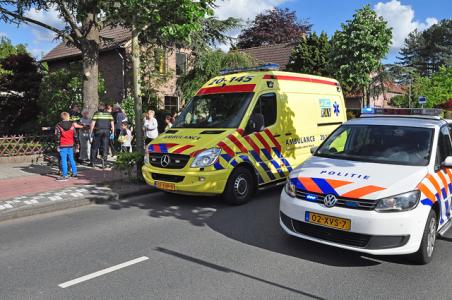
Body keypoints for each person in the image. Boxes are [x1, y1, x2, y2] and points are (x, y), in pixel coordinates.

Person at [55, 112, 83, 181]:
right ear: (68, 117)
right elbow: (75, 136)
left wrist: (57, 145)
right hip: (71, 145)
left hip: (62, 145)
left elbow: (57, 136)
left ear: (61, 117)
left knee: (63, 160)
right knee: (71, 159)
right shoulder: (72, 125)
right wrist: (77, 145)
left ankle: (65, 175)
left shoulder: (58, 125)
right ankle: (75, 173)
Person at [90, 103, 114, 168]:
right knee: (105, 147)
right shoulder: (109, 114)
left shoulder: (96, 113)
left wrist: (91, 132)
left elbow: (93, 123)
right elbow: (112, 124)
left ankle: (93, 162)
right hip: (106, 131)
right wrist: (113, 133)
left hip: (98, 131)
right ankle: (104, 163)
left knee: (94, 147)